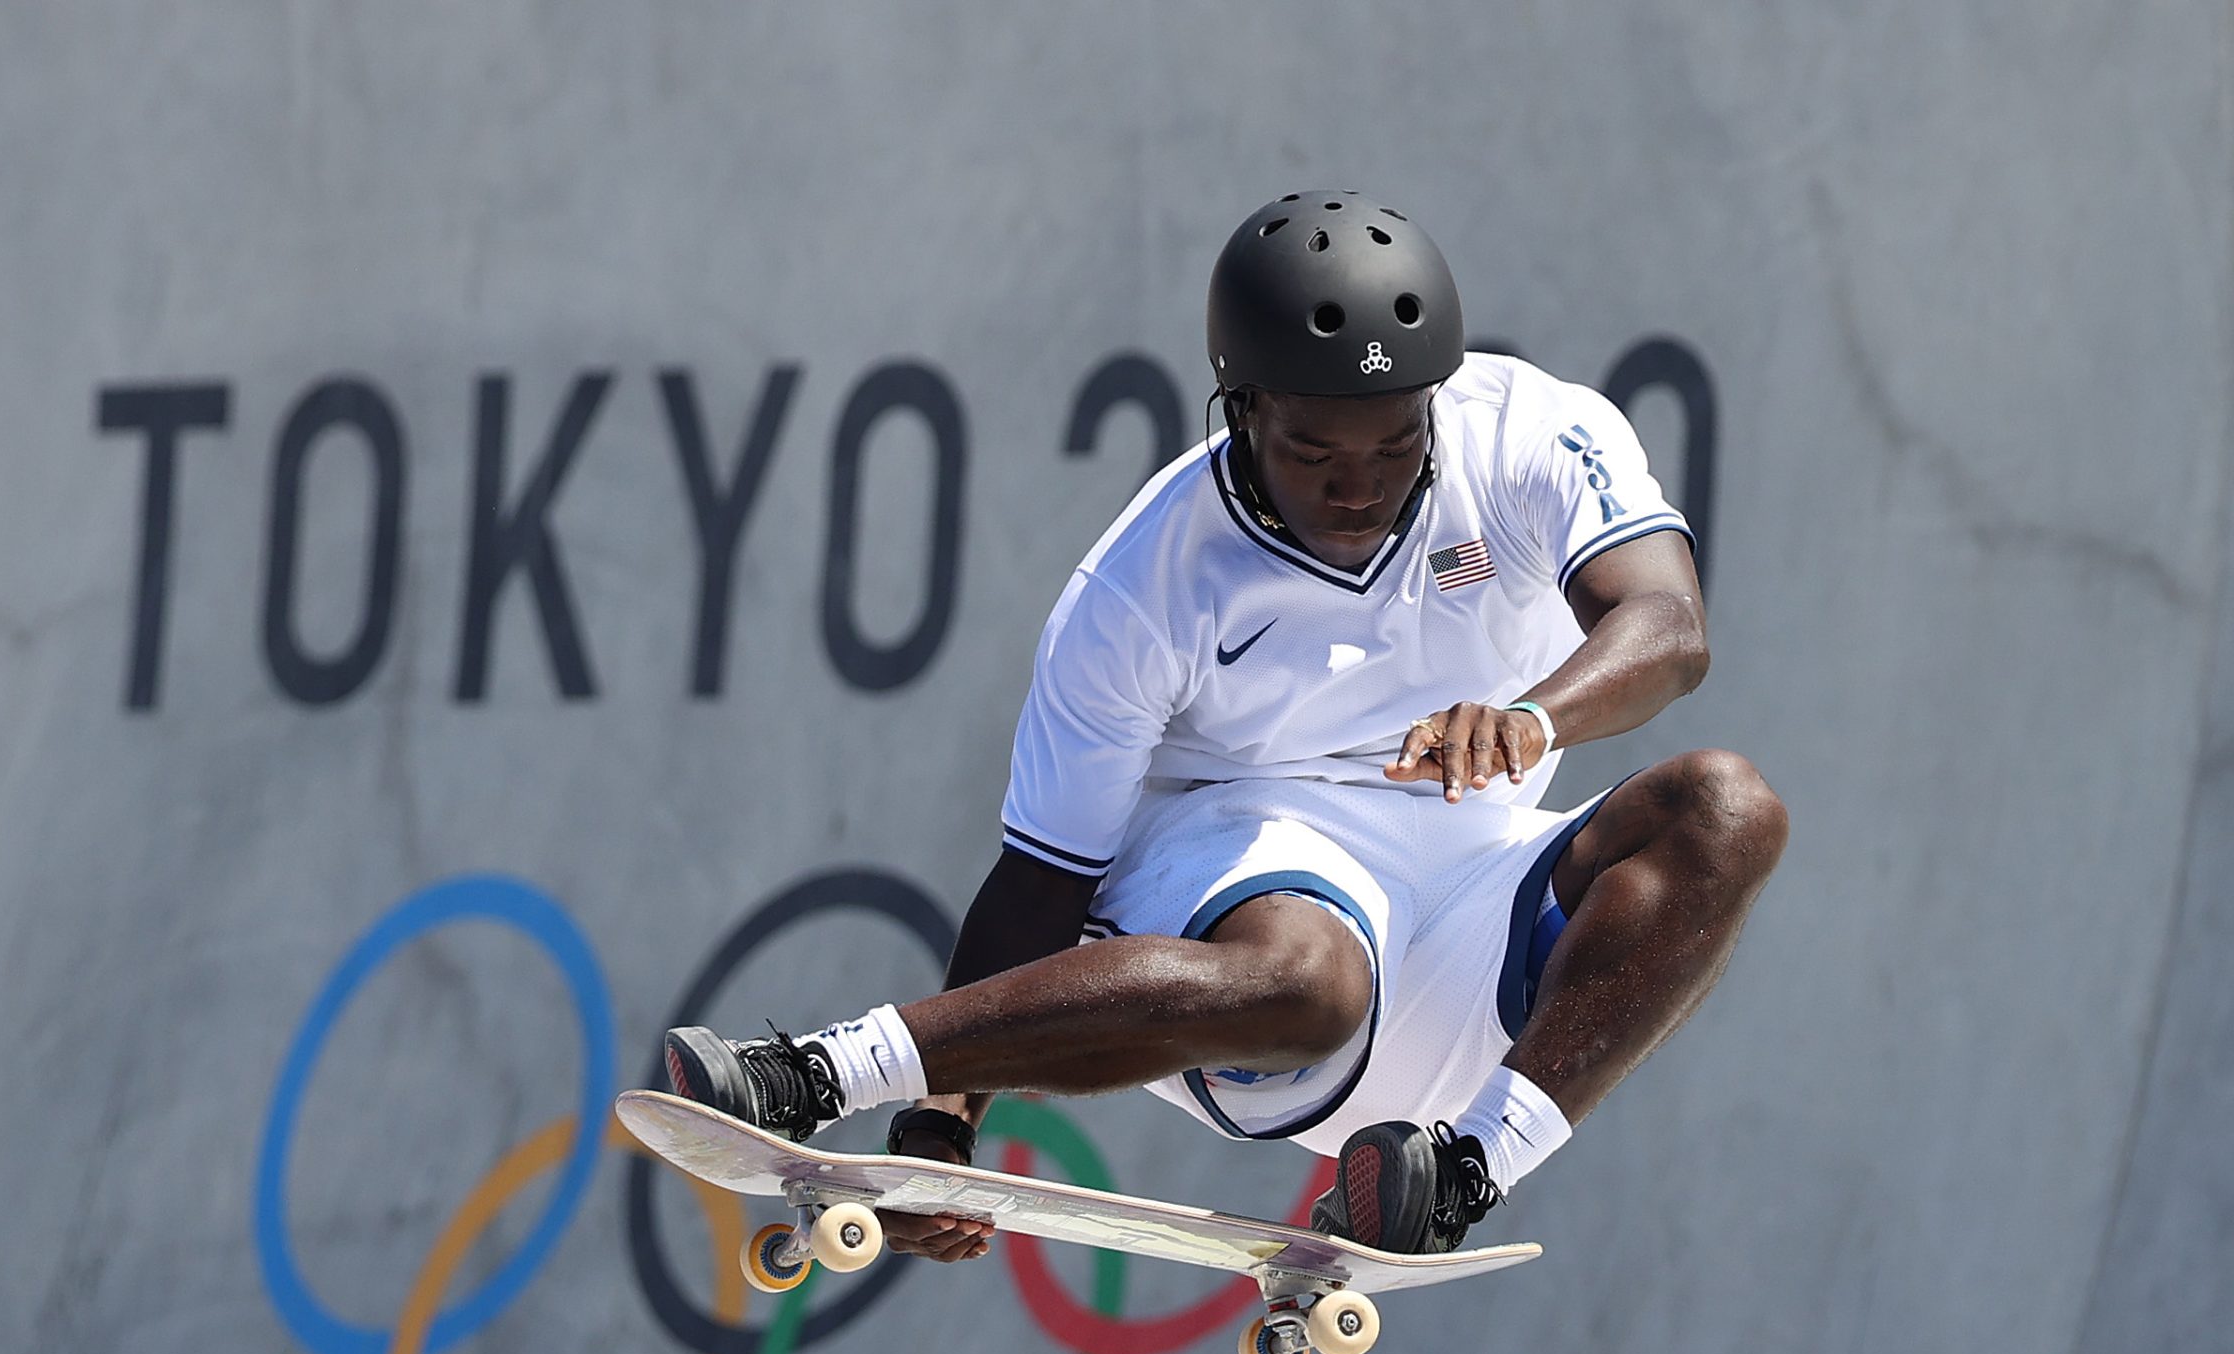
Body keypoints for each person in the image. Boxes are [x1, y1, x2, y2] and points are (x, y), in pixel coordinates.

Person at [664, 189, 1787, 1261]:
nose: (1361, 488)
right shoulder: (1143, 581)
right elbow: (1043, 876)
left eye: (1396, 446)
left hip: (1468, 878)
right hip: (1241, 868)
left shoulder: (1530, 434)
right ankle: (813, 1069)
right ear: (1242, 407)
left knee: (1724, 808)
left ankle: (1459, 1175)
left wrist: (1534, 717)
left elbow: (1667, 625)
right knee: (1313, 979)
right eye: (1315, 453)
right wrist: (938, 1121)